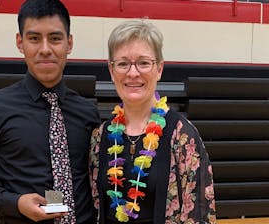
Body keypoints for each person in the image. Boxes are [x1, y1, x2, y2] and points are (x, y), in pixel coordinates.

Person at [0, 0, 100, 224]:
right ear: (20, 43)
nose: (45, 49)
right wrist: (15, 203)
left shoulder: (88, 112)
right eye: (34, 38)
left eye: (55, 38)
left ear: (69, 43)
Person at [90, 20, 216, 223]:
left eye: (143, 63)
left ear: (159, 68)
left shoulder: (182, 136)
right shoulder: (101, 136)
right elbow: (96, 208)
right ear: (112, 71)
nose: (133, 73)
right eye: (123, 63)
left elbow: (199, 214)